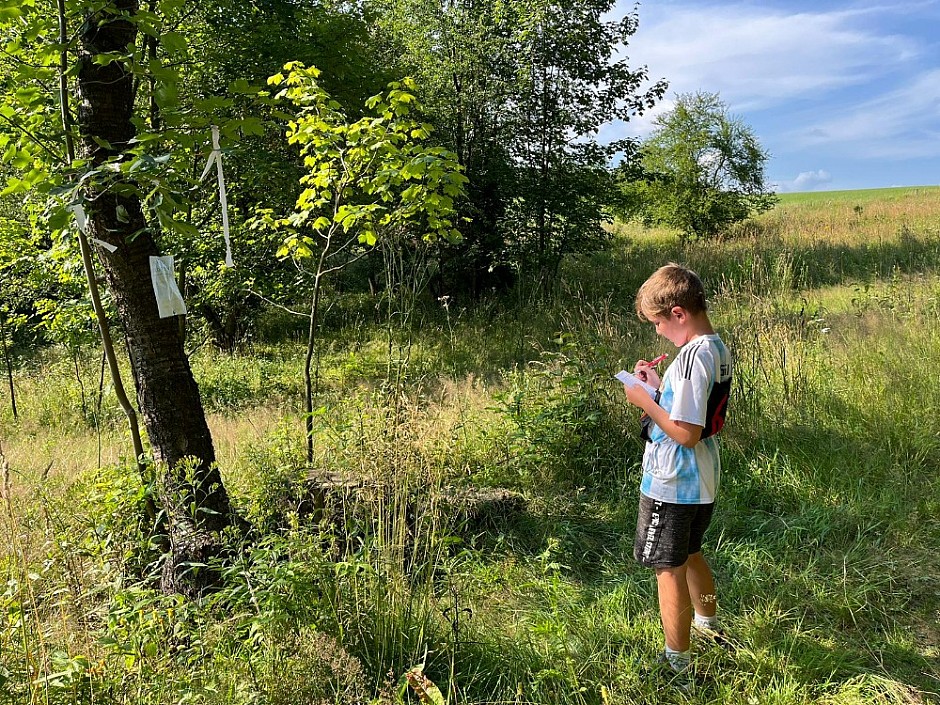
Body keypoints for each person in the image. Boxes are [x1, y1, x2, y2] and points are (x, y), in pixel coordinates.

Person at [621, 262, 732, 681]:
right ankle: (708, 625)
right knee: (691, 553)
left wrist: (643, 401)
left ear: (679, 313)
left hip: (673, 482)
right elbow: (692, 408)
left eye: (658, 322)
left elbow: (685, 432)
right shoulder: (713, 348)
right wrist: (658, 385)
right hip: (702, 479)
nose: (657, 331)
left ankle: (676, 663)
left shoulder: (690, 360)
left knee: (668, 570)